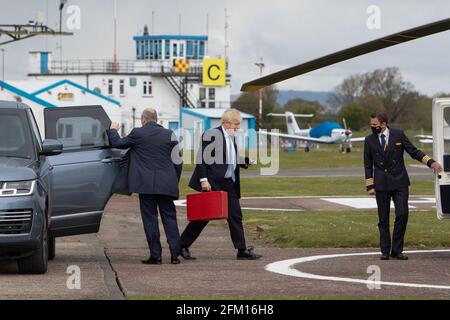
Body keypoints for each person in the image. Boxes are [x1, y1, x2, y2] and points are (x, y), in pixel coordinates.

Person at [179, 109, 262, 261]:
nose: (238, 128)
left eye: (238, 124)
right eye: (235, 124)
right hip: (213, 183)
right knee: (203, 217)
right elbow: (201, 159)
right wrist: (203, 180)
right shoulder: (212, 135)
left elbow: (231, 157)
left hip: (229, 183)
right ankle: (182, 245)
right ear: (225, 123)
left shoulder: (231, 137)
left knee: (235, 216)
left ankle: (241, 249)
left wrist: (246, 161)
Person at [108, 108, 183, 265]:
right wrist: (173, 180)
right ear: (157, 119)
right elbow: (178, 161)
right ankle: (175, 255)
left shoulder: (138, 133)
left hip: (146, 185)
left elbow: (118, 143)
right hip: (166, 184)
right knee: (170, 218)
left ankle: (156, 256)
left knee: (150, 220)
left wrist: (113, 130)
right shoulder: (170, 134)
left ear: (143, 119)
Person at [364, 112, 442, 260]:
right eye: (371, 125)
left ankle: (397, 250)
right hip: (381, 183)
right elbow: (367, 164)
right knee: (383, 219)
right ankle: (385, 251)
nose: (372, 127)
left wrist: (431, 162)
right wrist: (370, 185)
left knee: (403, 214)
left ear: (384, 124)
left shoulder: (398, 135)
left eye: (375, 125)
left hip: (399, 182)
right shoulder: (369, 140)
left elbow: (413, 151)